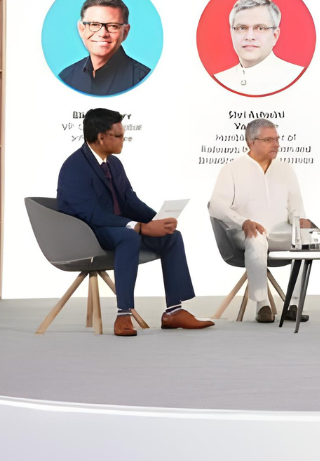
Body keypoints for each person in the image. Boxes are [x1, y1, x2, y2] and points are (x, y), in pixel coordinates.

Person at [56, 108, 212, 336]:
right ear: (101, 137)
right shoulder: (74, 167)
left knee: (171, 236)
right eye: (118, 136)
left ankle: (174, 311)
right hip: (89, 233)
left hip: (118, 228)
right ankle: (123, 314)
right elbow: (90, 214)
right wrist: (138, 227)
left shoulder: (114, 164)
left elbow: (129, 200)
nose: (123, 140)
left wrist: (157, 221)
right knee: (129, 236)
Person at [209, 118, 313, 323]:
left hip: (281, 232)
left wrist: (300, 221)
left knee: (306, 238)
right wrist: (243, 222)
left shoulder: (286, 169)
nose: (276, 144)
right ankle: (262, 304)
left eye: (277, 139)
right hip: (245, 233)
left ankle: (293, 303)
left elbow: (296, 208)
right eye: (268, 140)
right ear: (251, 142)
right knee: (257, 238)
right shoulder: (231, 169)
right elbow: (216, 206)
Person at [58, 0, 152, 96]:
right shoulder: (66, 77)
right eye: (94, 25)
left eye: (112, 26)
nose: (102, 34)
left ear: (125, 32)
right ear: (82, 29)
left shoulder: (144, 80)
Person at [213, 0, 305, 96]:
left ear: (274, 36)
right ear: (232, 34)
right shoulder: (219, 81)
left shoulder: (298, 78)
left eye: (260, 28)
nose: (249, 36)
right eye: (242, 28)